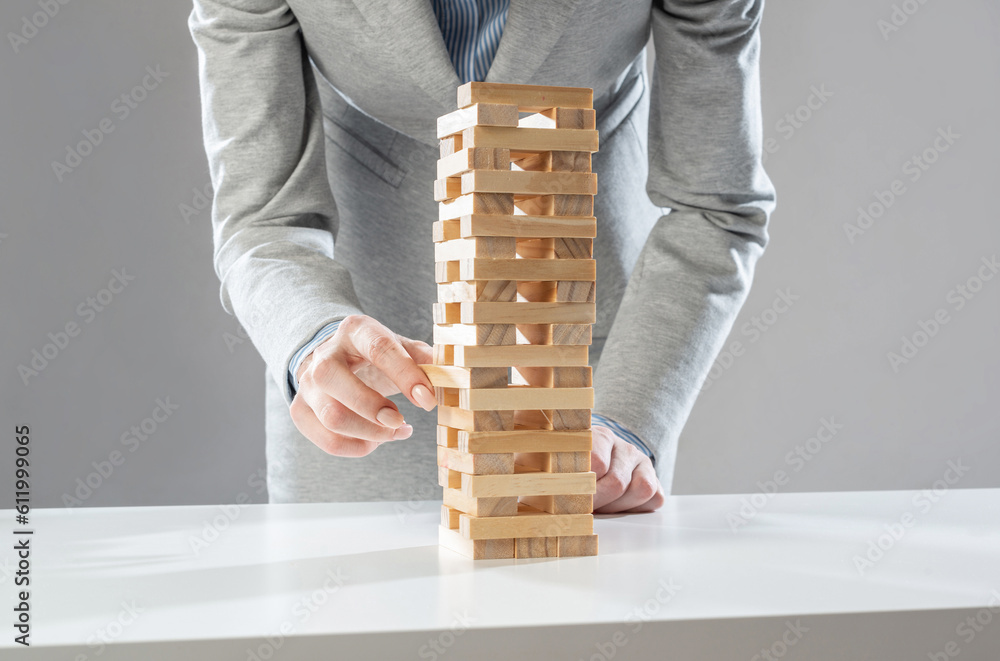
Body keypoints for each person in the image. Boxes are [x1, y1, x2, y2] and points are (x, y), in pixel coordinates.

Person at [188, 0, 775, 512]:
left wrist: (625, 420)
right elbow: (264, 216)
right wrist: (311, 332)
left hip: (597, 342)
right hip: (362, 348)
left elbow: (716, 206)